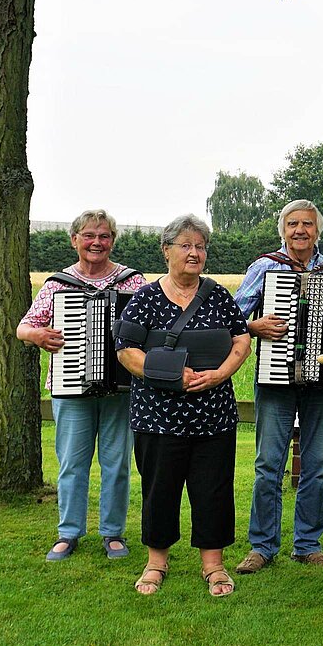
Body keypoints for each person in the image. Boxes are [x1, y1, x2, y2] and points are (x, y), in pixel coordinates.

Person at [115, 214, 252, 597]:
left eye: (200, 246)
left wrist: (220, 374)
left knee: (214, 489)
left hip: (214, 415)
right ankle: (156, 562)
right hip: (158, 417)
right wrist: (172, 376)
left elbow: (242, 340)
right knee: (160, 489)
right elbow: (126, 352)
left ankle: (214, 565)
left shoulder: (219, 295)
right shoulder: (145, 297)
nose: (194, 252)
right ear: (166, 251)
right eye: (186, 245)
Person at [16, 209, 147, 562]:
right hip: (71, 387)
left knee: (116, 462)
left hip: (121, 390)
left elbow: (152, 324)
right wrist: (39, 335)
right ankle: (68, 532)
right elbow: (23, 327)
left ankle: (113, 533)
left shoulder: (133, 283)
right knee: (72, 462)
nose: (96, 242)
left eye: (104, 236)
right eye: (89, 235)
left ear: (112, 241)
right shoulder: (58, 285)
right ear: (74, 240)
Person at [233, 200, 323, 575]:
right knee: (269, 464)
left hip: (321, 380)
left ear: (318, 230)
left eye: (308, 224)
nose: (300, 230)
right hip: (275, 377)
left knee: (316, 464)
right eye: (293, 223)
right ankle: (262, 546)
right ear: (283, 229)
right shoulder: (265, 266)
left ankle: (308, 544)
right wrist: (254, 326)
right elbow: (232, 314)